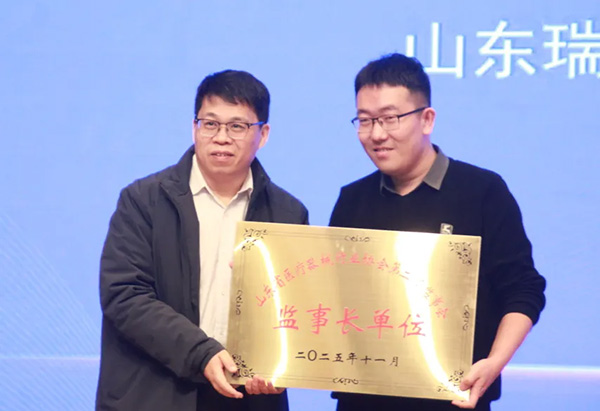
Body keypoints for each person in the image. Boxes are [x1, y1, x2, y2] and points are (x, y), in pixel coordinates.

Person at [329, 53, 546, 411]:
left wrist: (494, 362)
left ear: (427, 119)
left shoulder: (482, 191)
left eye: (390, 118)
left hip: (454, 399)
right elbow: (332, 296)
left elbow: (524, 289)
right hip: (363, 400)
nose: (377, 134)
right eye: (365, 121)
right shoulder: (352, 200)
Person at [96, 69, 308, 411]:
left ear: (263, 134)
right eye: (210, 124)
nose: (221, 137)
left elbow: (294, 310)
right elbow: (125, 295)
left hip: (246, 399)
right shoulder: (143, 200)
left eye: (237, 126)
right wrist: (201, 353)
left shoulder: (288, 213)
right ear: (194, 127)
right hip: (155, 394)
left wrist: (277, 363)